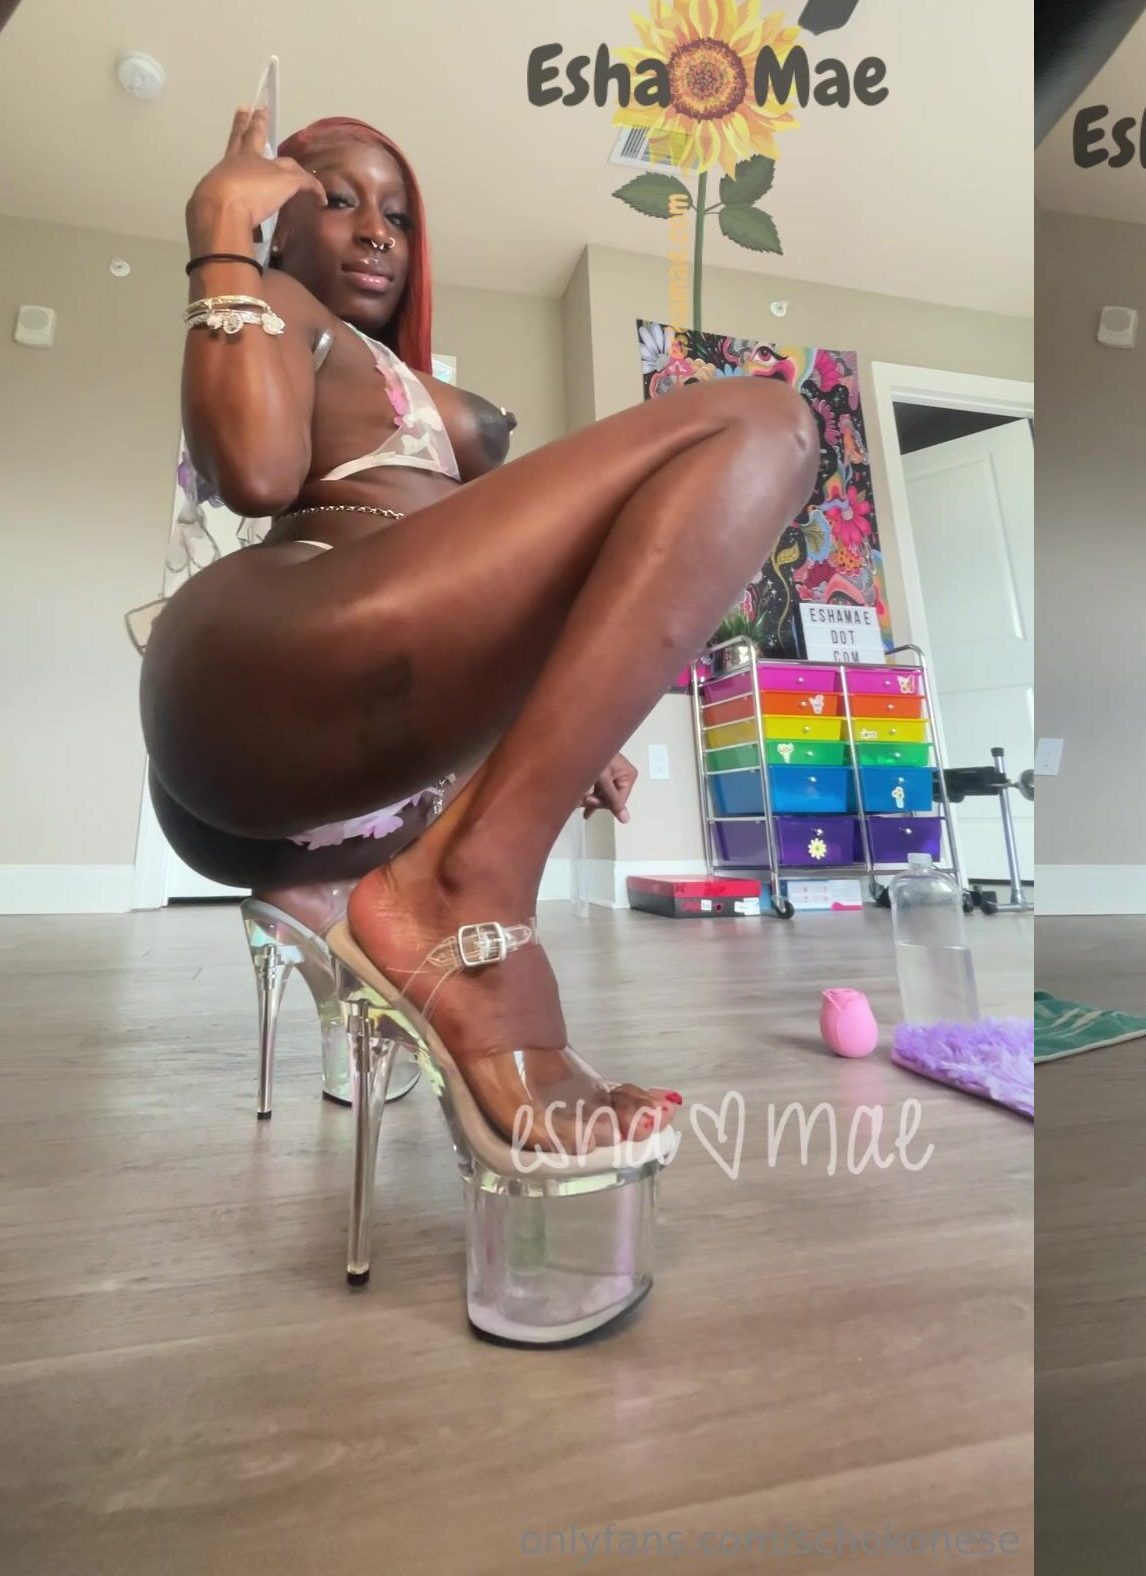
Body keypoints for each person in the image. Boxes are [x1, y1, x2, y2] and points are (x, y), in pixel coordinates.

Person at [140, 105, 822, 1153]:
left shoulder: (386, 363)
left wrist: (568, 726)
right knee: (761, 422)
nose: (376, 231)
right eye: (338, 199)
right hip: (262, 661)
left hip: (370, 746)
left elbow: (486, 599)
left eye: (398, 215)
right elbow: (258, 474)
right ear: (280, 217)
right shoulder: (279, 304)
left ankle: (404, 904)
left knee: (745, 449)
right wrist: (223, 227)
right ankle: (464, 896)